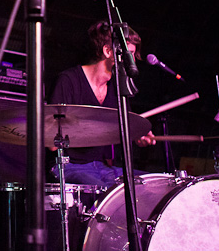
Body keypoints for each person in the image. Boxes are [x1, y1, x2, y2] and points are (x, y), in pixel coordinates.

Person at [48, 21, 155, 188]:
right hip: (69, 166)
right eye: (129, 54)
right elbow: (51, 143)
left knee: (155, 185)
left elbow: (128, 128)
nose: (132, 61)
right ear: (107, 51)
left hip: (104, 167)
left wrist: (138, 135)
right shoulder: (68, 81)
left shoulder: (118, 88)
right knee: (108, 194)